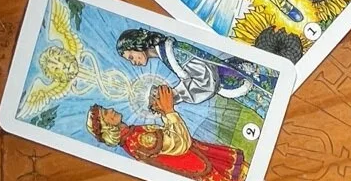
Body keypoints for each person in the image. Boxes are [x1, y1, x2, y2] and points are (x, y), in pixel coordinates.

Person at [86, 87, 249, 181]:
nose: (111, 109)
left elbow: (168, 138)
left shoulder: (131, 138)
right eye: (106, 113)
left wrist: (164, 113)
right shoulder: (137, 139)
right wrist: (169, 110)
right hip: (197, 165)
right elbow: (180, 143)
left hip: (198, 159)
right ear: (107, 127)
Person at [116, 28, 278, 116]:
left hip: (231, 80)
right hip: (227, 78)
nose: (134, 62)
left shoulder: (172, 52)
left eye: (131, 57)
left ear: (137, 45)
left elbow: (206, 79)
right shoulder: (166, 53)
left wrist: (172, 95)